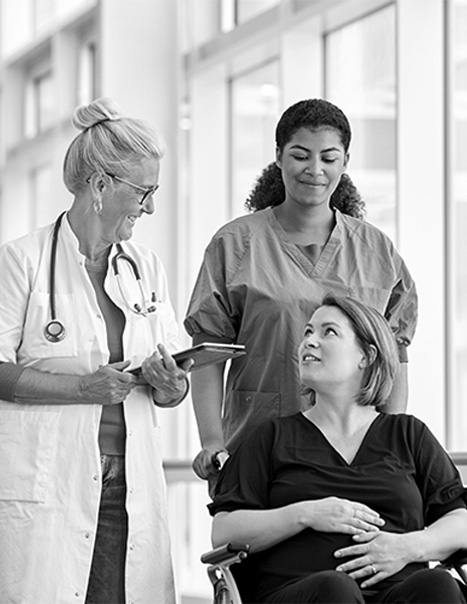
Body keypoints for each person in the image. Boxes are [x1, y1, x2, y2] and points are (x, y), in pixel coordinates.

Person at [0, 98, 191, 604]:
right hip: (52, 480)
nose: (150, 208)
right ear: (101, 186)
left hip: (130, 482)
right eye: (144, 192)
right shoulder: (22, 261)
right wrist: (83, 388)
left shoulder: (145, 265)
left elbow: (173, 372)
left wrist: (174, 384)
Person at [184, 98, 418, 484]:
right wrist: (212, 441)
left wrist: (391, 438)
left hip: (357, 452)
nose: (315, 170)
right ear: (278, 157)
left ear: (345, 161)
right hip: (256, 445)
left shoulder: (376, 250)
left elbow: (395, 356)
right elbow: (208, 352)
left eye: (329, 158)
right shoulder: (235, 244)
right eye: (300, 155)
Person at [209, 294, 467, 604]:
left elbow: (460, 523)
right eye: (307, 332)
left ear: (366, 356)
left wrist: (407, 547)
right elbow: (224, 532)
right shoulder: (271, 437)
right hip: (302, 594)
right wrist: (306, 513)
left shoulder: (409, 435)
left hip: (396, 593)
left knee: (437, 586)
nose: (309, 342)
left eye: (327, 332)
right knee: (335, 590)